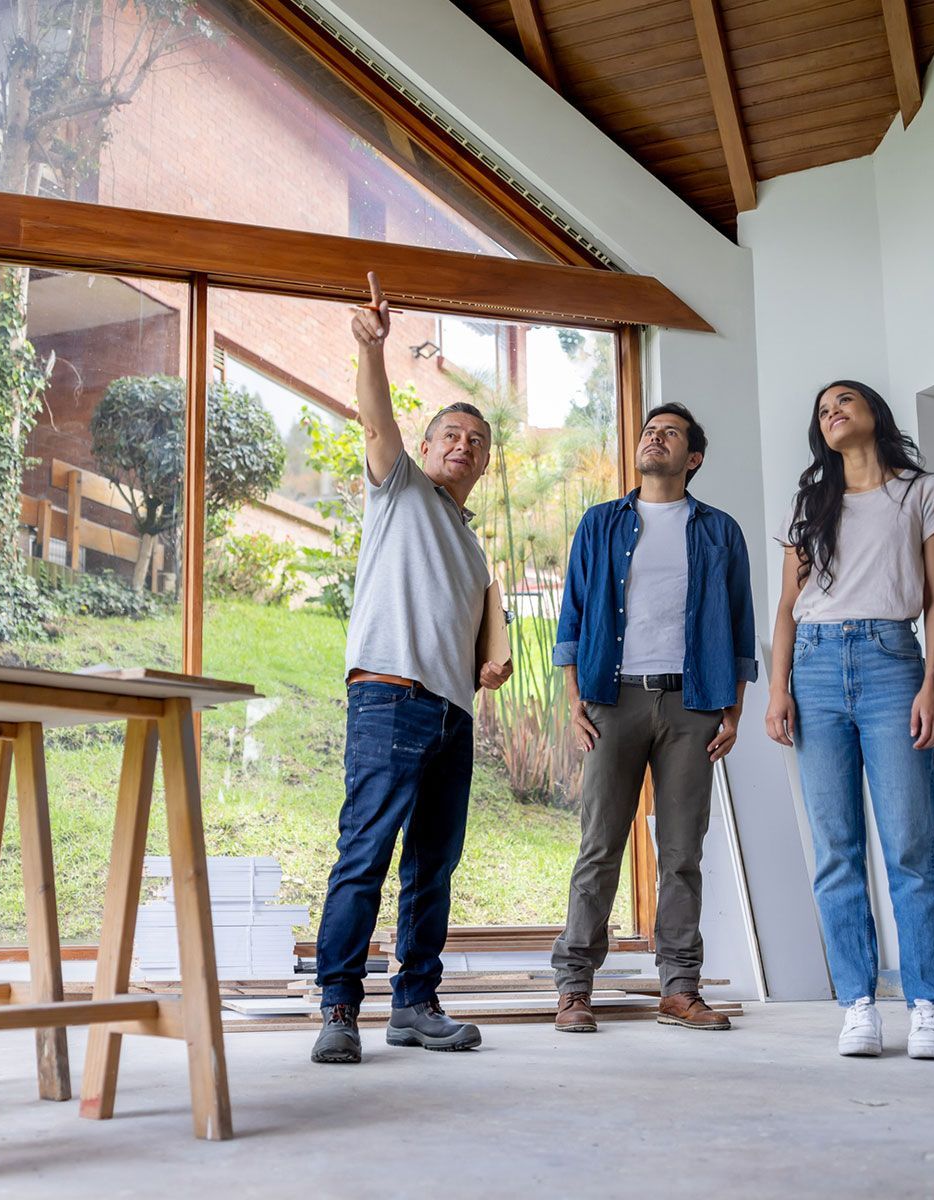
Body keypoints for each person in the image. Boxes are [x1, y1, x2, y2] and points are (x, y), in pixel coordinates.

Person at [311, 273, 513, 1065]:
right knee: (365, 854)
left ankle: (415, 1005)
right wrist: (372, 348)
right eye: (451, 436)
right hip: (389, 698)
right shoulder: (398, 491)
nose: (463, 446)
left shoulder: (469, 542)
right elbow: (375, 419)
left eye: (477, 442)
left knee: (433, 867)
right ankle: (337, 1008)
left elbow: (480, 631)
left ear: (483, 464)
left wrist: (490, 664)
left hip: (450, 714)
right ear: (426, 450)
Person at [763, 380, 934, 1060]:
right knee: (836, 849)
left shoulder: (923, 494)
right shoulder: (811, 504)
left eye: (844, 400)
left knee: (910, 844)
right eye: (822, 409)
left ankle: (929, 1003)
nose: (833, 412)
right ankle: (857, 1004)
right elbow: (787, 608)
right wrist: (777, 690)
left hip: (890, 663)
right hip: (815, 671)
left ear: (873, 412)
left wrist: (931, 685)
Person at [548, 404, 757, 1034]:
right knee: (599, 847)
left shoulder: (720, 531)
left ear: (692, 458)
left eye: (669, 434)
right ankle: (575, 988)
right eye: (648, 430)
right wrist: (573, 697)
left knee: (682, 852)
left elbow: (741, 620)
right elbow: (575, 612)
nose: (654, 437)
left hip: (693, 703)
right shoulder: (602, 523)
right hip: (615, 698)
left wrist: (734, 708)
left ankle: (679, 987)